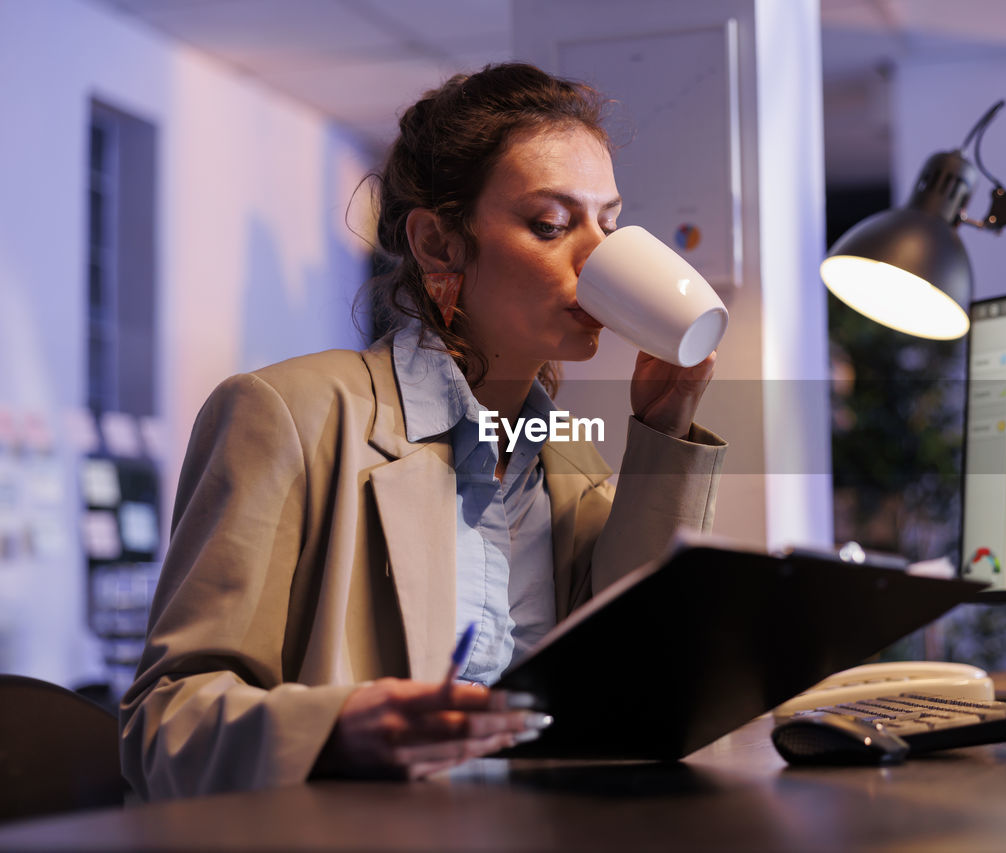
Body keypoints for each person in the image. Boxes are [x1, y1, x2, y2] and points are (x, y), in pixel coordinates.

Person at [119, 63, 726, 800]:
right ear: (440, 246)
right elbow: (162, 725)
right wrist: (335, 727)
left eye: (610, 223)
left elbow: (639, 678)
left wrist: (663, 430)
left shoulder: (568, 460)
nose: (597, 255)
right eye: (553, 224)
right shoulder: (289, 415)